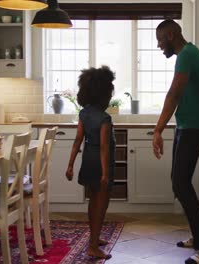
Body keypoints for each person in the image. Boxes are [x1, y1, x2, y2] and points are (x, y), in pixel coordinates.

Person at [152, 19, 199, 264]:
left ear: (171, 35)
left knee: (181, 184)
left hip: (195, 126)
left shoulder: (187, 54)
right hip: (187, 125)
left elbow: (174, 93)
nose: (159, 46)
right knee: (178, 183)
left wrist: (158, 130)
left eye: (160, 40)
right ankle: (198, 236)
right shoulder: (190, 54)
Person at [66, 65, 116, 260]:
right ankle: (93, 247)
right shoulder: (105, 118)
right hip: (101, 163)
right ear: (103, 95)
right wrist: (105, 173)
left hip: (87, 160)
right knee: (101, 203)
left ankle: (94, 239)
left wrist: (70, 165)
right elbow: (104, 147)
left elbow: (78, 141)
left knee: (92, 200)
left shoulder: (83, 114)